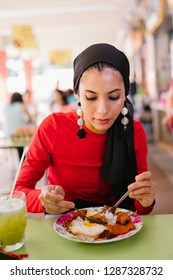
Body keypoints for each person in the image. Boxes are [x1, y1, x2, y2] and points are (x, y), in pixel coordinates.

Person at [15, 43, 156, 215]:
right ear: (77, 95)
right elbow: (19, 191)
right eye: (91, 97)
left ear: (126, 93)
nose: (103, 110)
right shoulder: (53, 127)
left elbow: (141, 206)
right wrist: (43, 201)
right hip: (63, 218)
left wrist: (146, 199)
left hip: (115, 219)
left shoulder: (133, 131)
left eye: (114, 96)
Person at [3, 92, 28, 159]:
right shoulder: (21, 106)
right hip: (19, 134)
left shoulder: (6, 107)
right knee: (21, 146)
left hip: (8, 134)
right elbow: (30, 118)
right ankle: (23, 161)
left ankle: (21, 160)